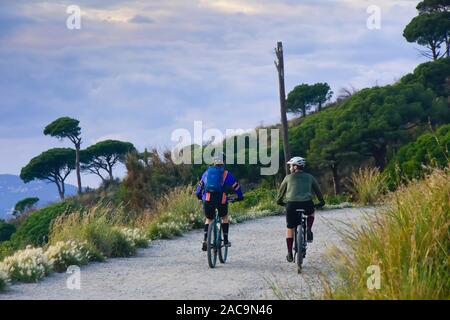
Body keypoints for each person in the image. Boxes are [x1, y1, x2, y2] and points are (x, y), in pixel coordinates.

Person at [276, 156, 325, 262]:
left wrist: (279, 201)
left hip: (291, 205)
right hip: (307, 204)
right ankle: (309, 229)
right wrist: (321, 201)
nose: (289, 168)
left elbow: (281, 192)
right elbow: (318, 191)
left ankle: (289, 252)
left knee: (290, 228)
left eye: (290, 166)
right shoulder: (310, 177)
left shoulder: (288, 178)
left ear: (295, 166)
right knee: (311, 213)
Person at [196, 154, 244, 251]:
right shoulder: (226, 174)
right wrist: (239, 196)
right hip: (221, 200)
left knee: (209, 219)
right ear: (223, 162)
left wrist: (199, 195)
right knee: (224, 217)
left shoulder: (207, 173)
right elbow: (236, 187)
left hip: (208, 199)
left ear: (214, 162)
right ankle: (225, 240)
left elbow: (199, 187)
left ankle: (205, 240)